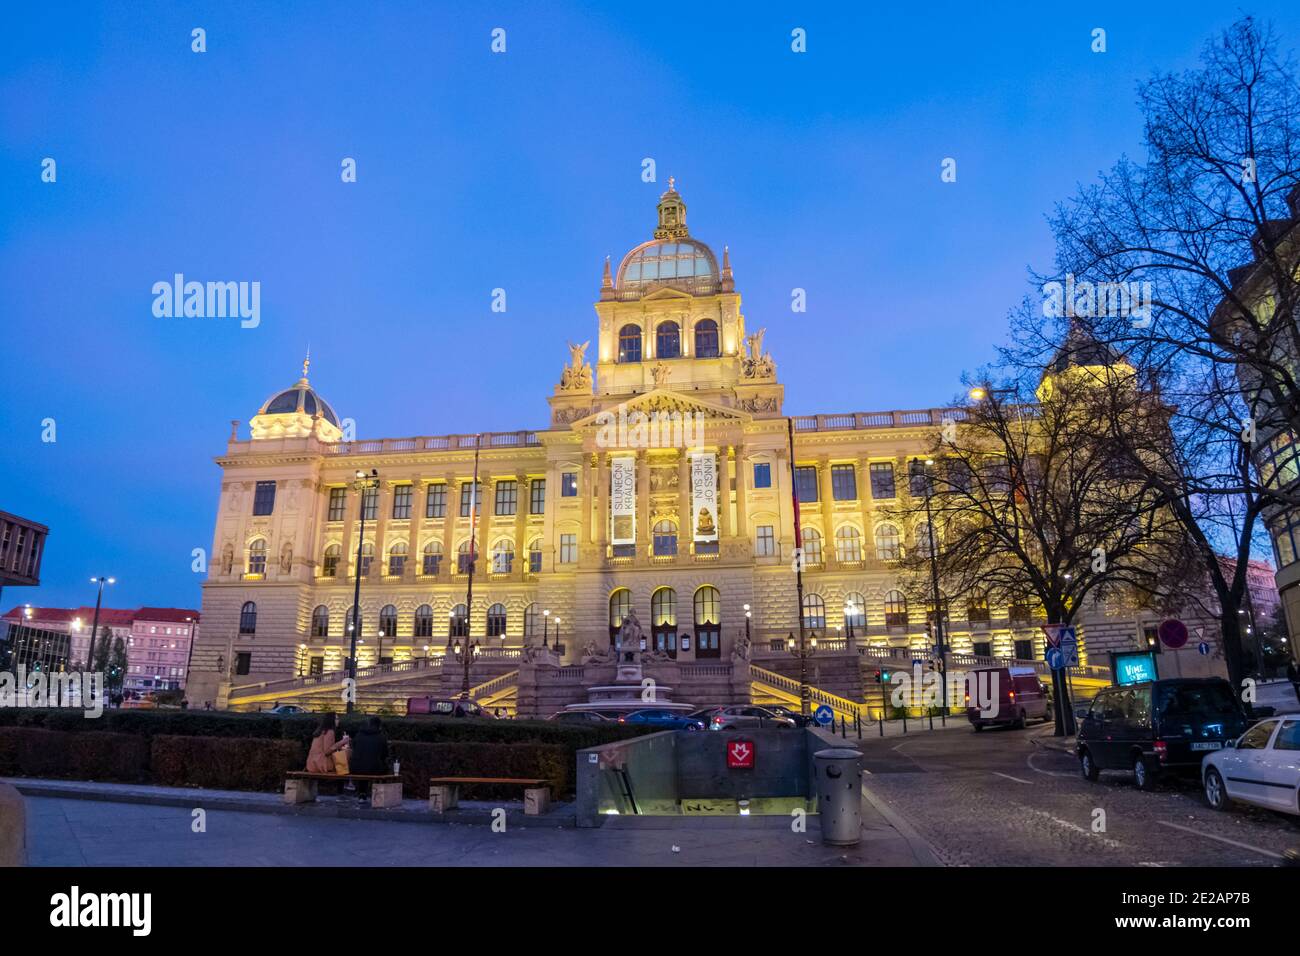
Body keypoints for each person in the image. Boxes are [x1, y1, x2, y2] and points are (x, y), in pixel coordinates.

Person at [348, 716, 391, 800]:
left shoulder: (359, 735)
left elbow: (354, 748)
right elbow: (385, 754)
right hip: (374, 769)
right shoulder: (381, 737)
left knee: (364, 764)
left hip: (356, 768)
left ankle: (362, 793)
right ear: (379, 726)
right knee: (382, 767)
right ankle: (379, 795)